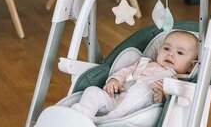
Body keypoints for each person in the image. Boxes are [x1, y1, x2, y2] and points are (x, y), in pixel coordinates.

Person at [71, 30, 199, 121]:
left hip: (144, 106)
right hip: (118, 97)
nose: (170, 54)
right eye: (166, 48)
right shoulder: (144, 62)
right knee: (92, 90)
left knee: (141, 89)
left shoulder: (180, 79)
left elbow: (177, 99)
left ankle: (109, 120)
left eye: (180, 53)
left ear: (190, 66)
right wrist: (114, 81)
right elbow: (125, 72)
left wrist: (164, 97)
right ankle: (82, 115)